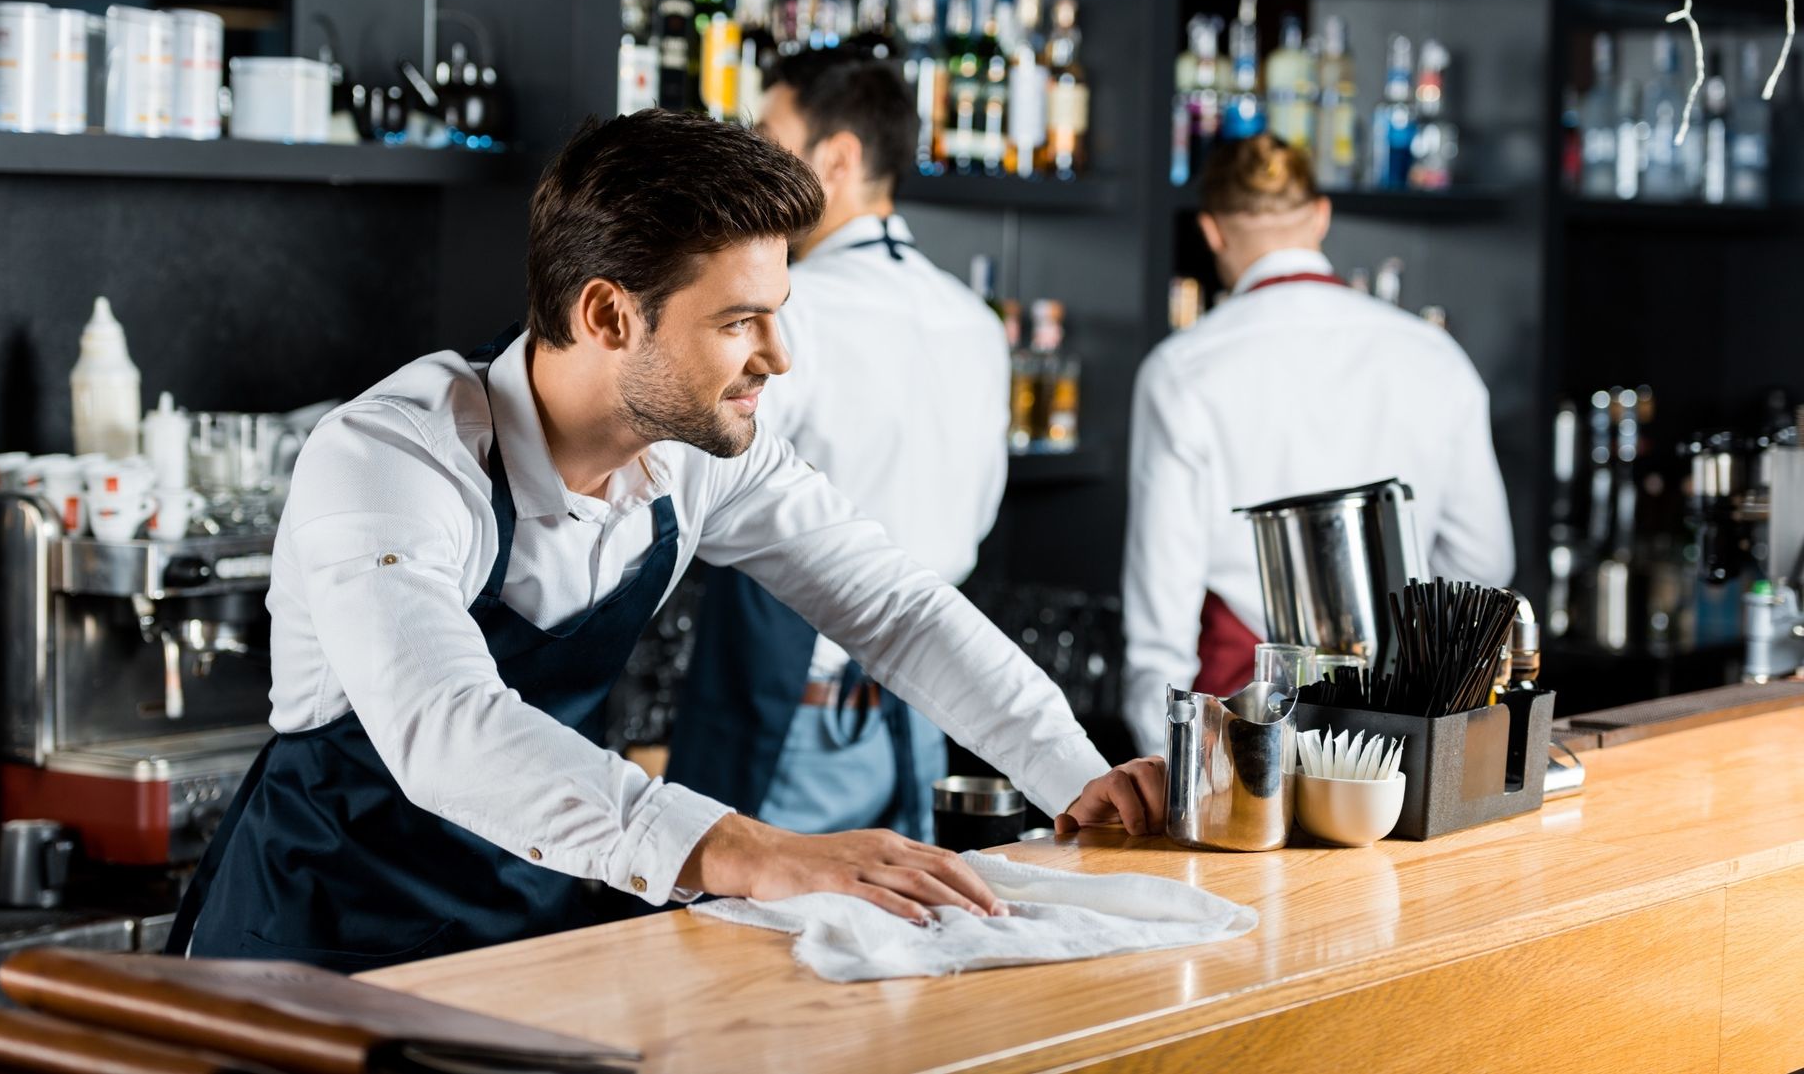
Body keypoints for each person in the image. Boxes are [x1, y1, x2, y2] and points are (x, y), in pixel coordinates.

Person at [170, 109, 1168, 970]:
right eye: (741, 322)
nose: (778, 359)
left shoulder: (700, 457)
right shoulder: (392, 457)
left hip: (527, 935)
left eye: (779, 316)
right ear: (607, 313)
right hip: (317, 952)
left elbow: (895, 611)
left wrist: (1075, 776)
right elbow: (446, 728)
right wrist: (744, 848)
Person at [666, 48, 1008, 842]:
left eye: (766, 138)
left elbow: (711, 502)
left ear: (840, 158)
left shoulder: (793, 310)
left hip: (794, 715)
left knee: (733, 953)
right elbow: (979, 516)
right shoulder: (975, 320)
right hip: (925, 708)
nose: (750, 160)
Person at [1121, 134, 1513, 755]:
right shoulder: (1434, 355)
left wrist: (1170, 767)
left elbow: (1158, 620)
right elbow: (1483, 564)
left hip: (1246, 723)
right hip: (1405, 722)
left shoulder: (1182, 368)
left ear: (1212, 232)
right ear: (1322, 215)